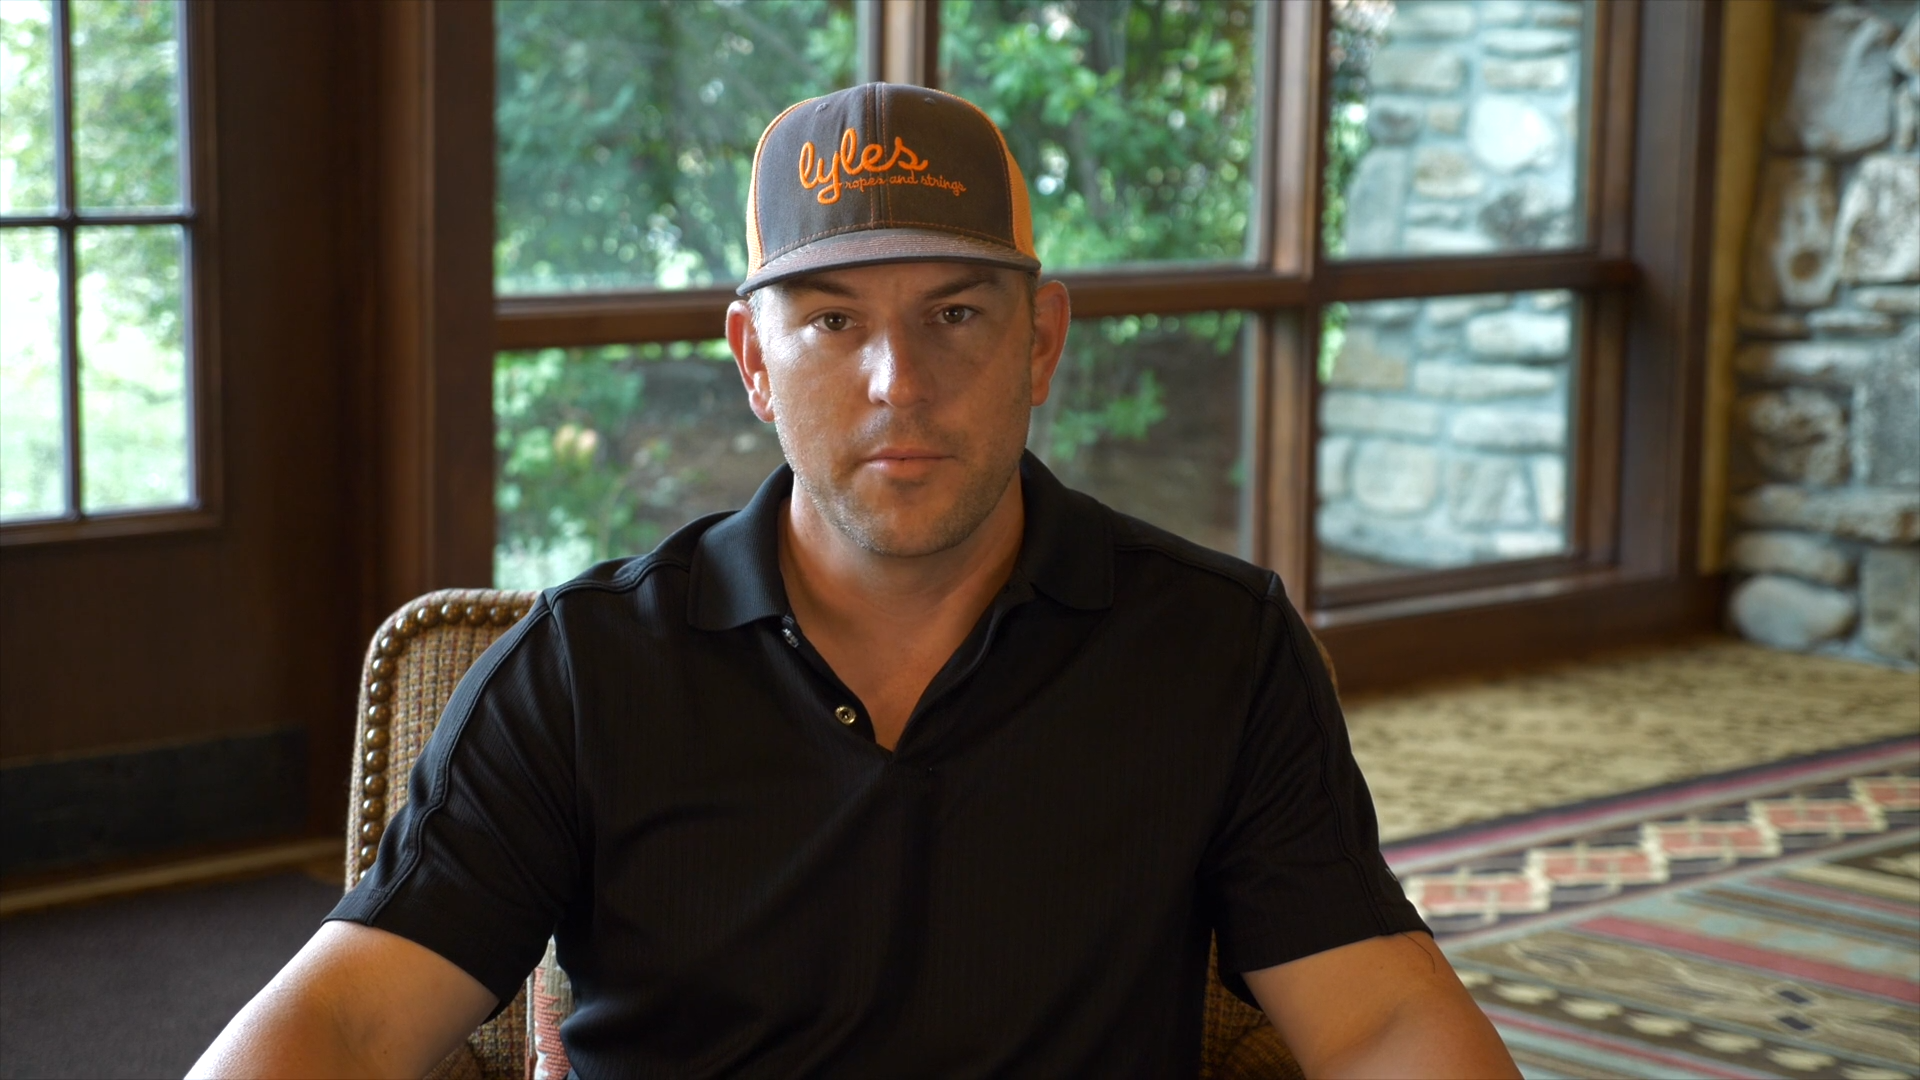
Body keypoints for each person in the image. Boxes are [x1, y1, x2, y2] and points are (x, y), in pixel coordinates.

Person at [192, 82, 1517, 1078]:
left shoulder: (1213, 647)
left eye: (957, 314)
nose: (899, 382)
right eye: (832, 321)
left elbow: (1382, 1023)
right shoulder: (587, 667)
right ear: (752, 360)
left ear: (1041, 341)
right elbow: (344, 1021)